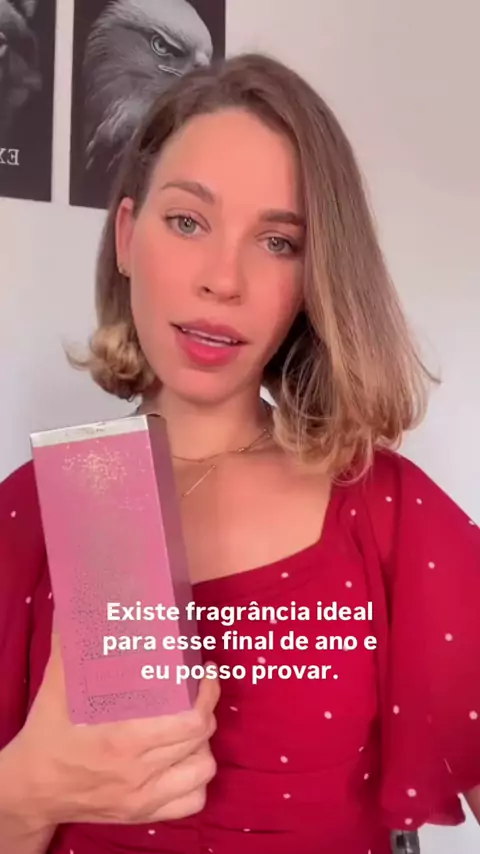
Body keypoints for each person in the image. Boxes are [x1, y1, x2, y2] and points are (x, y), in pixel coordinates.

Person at [0, 52, 479, 854]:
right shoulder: (28, 515)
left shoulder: (390, 512)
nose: (223, 280)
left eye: (278, 242)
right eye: (188, 222)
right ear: (127, 236)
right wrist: (24, 794)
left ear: (315, 279)